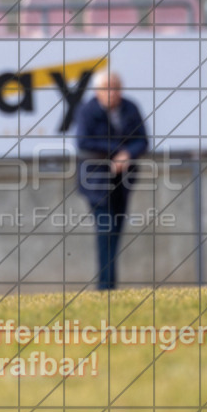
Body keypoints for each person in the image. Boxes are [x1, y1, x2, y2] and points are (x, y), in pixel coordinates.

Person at [74, 71, 148, 290]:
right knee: (105, 230)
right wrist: (117, 153)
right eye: (107, 88)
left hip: (123, 181)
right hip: (96, 182)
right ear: (97, 91)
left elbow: (142, 140)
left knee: (116, 230)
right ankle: (105, 286)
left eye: (115, 87)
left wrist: (127, 155)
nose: (112, 92)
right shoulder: (88, 111)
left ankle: (108, 284)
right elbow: (85, 142)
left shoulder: (130, 108)